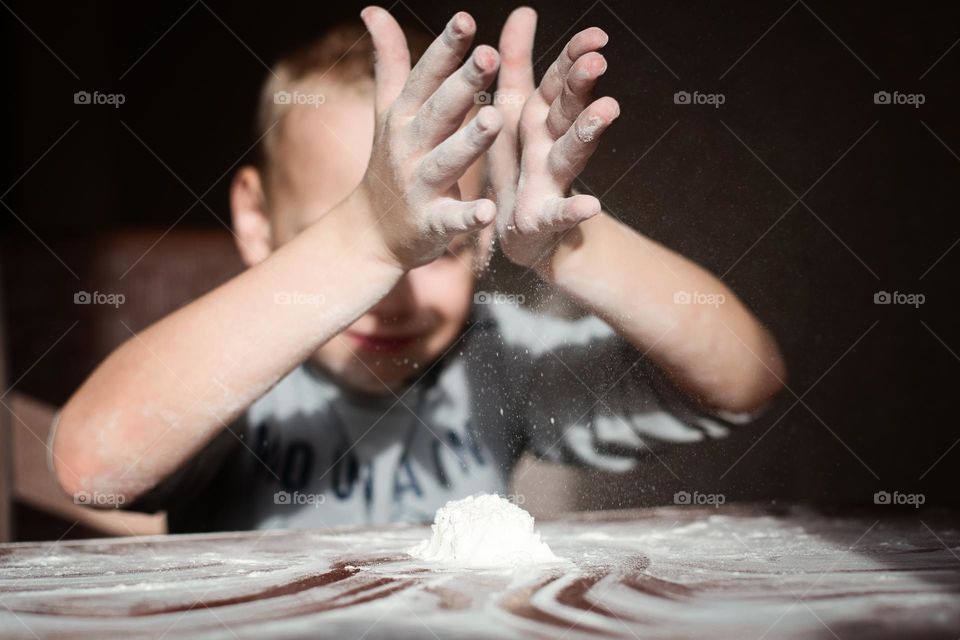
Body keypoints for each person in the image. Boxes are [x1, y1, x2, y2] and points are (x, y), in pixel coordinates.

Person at [51, 7, 786, 531]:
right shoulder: (232, 365)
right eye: (353, 241)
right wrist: (365, 239)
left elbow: (744, 377)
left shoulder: (497, 359)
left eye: (434, 245)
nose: (395, 296)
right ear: (256, 220)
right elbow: (90, 464)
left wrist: (570, 246)